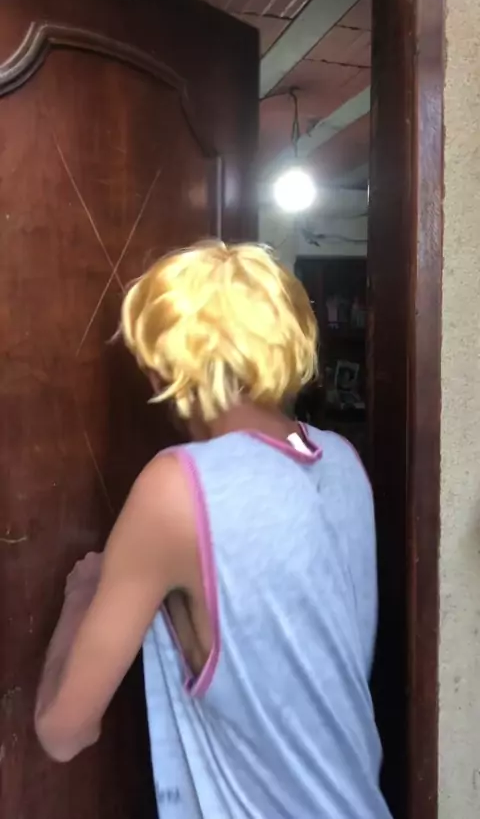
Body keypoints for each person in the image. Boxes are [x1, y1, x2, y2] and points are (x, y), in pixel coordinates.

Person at [35, 241, 392, 819]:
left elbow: (63, 731)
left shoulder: (179, 486)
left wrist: (82, 593)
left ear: (166, 362)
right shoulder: (343, 462)